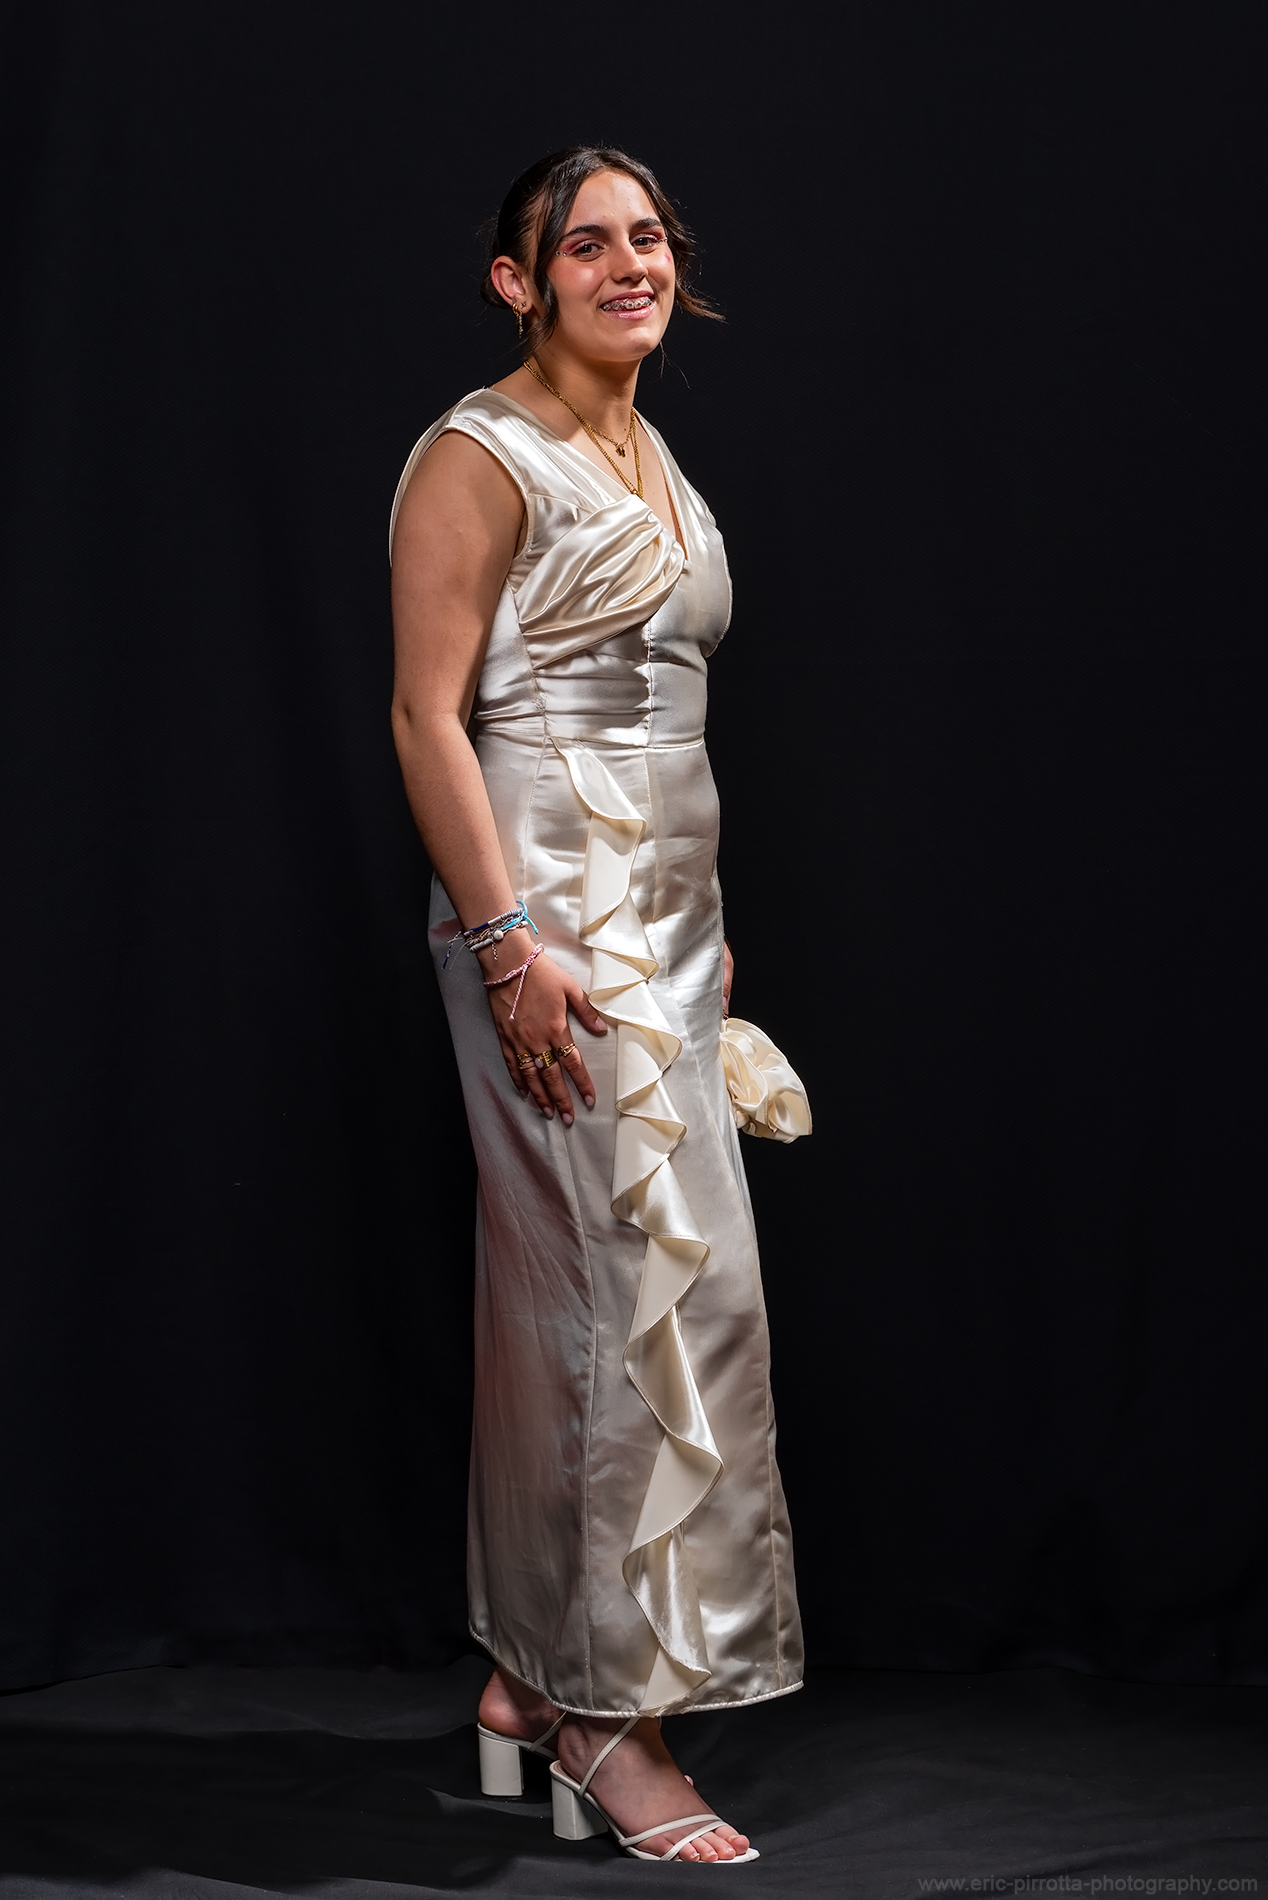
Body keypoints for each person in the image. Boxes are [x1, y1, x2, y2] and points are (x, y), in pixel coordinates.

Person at [389, 146, 802, 1865]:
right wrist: (506, 945)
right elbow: (427, 714)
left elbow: (666, 715)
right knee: (605, 1310)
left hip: (668, 925)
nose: (630, 264)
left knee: (652, 1304)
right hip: (544, 919)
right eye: (587, 245)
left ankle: (526, 1678)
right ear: (520, 281)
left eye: (648, 239)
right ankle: (604, 1718)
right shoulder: (478, 453)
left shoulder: (647, 448)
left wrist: (711, 932)